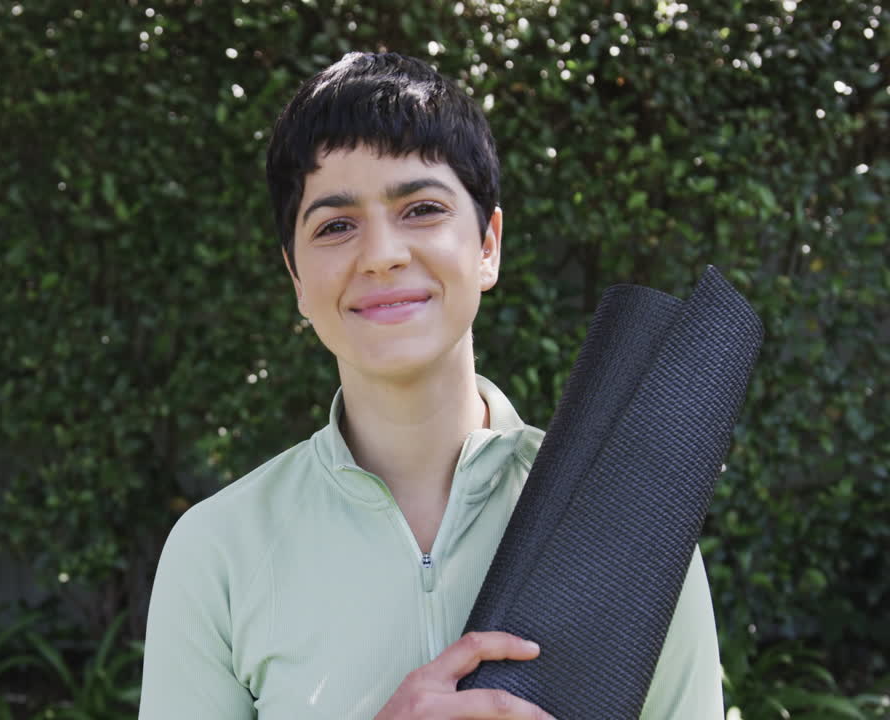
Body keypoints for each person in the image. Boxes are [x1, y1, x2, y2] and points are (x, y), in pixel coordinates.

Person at [139, 52, 722, 719]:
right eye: (335, 225)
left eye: (420, 208)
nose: (382, 253)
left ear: (487, 245)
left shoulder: (631, 520)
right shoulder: (218, 552)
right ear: (297, 278)